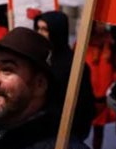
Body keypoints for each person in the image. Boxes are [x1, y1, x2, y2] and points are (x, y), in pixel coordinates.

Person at [34, 11, 95, 140]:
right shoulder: (41, 58)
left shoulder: (74, 65)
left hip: (63, 136)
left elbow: (84, 106)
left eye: (44, 29)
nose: (39, 33)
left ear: (56, 32)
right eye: (38, 28)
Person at [86, 22, 116, 149]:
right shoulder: (83, 43)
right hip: (86, 94)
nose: (100, 26)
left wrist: (114, 83)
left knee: (98, 130)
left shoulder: (110, 44)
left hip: (103, 95)